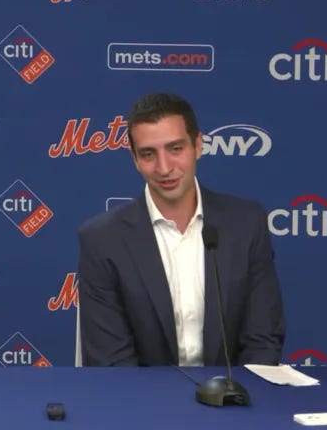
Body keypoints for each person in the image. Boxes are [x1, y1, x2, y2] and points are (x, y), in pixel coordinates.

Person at [77, 93, 285, 367]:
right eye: (148, 154)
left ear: (198, 145)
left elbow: (262, 340)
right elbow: (111, 360)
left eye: (175, 149)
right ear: (134, 159)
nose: (164, 168)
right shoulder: (102, 239)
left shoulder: (246, 223)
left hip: (234, 392)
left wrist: (235, 392)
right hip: (141, 394)